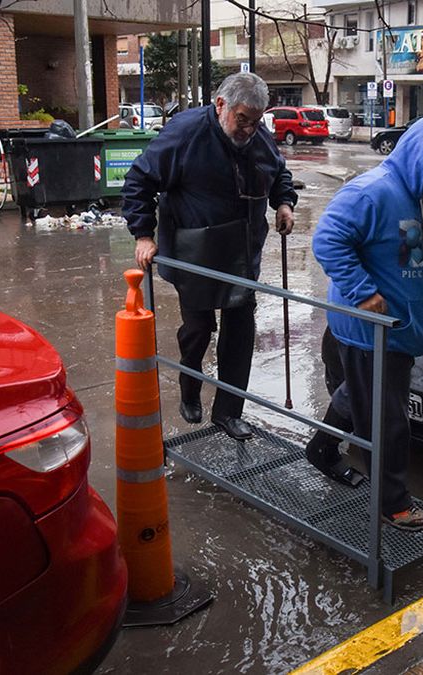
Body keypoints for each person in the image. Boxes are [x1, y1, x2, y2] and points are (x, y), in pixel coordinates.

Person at [310, 111, 423, 531]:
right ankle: (393, 505)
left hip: (399, 331)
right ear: (419, 158)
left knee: (357, 397)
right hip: (371, 333)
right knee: (387, 421)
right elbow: (327, 240)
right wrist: (364, 293)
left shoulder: (419, 198)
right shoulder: (372, 192)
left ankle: (323, 449)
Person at [122, 72, 298, 441]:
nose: (249, 129)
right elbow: (139, 179)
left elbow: (278, 171)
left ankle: (228, 413)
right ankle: (190, 385)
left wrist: (284, 203)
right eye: (242, 119)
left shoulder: (258, 138)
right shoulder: (186, 133)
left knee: (240, 331)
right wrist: (143, 234)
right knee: (200, 329)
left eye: (255, 121)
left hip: (241, 251)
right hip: (196, 250)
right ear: (221, 105)